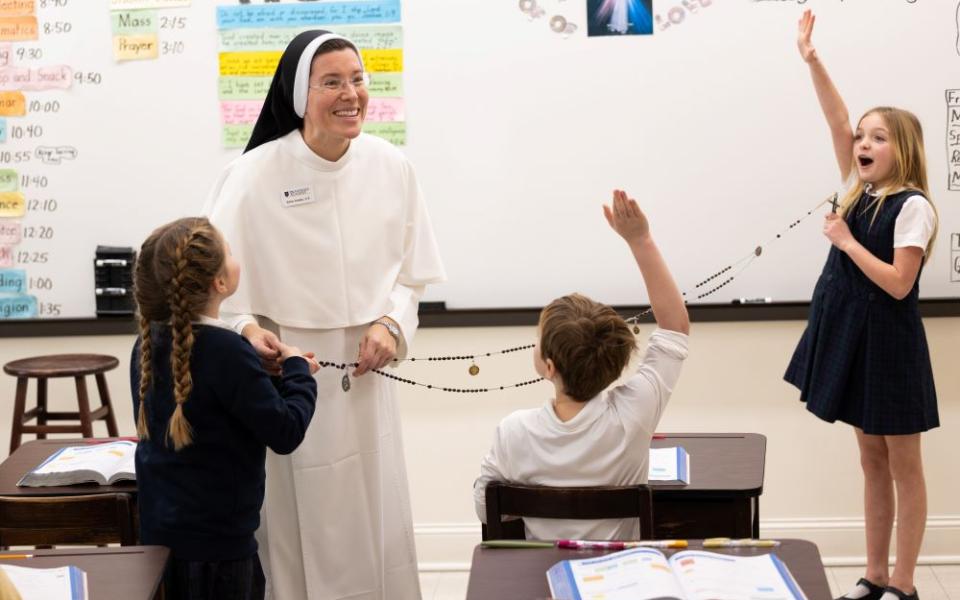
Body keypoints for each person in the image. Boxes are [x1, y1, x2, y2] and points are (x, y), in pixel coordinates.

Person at [203, 30, 445, 600]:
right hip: (286, 383)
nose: (351, 94)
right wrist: (248, 332)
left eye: (358, 79)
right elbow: (214, 295)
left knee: (373, 512)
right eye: (331, 82)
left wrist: (391, 326)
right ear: (297, 93)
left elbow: (413, 278)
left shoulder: (393, 167)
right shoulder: (252, 176)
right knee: (295, 525)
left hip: (368, 379)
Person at [784, 11, 939, 600]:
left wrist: (846, 242)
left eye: (879, 137)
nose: (864, 143)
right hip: (850, 336)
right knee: (870, 462)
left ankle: (903, 582)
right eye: (862, 136)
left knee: (904, 466)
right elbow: (835, 117)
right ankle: (874, 575)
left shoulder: (912, 205)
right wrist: (812, 59)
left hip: (890, 346)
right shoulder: (859, 188)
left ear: (904, 149)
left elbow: (900, 283)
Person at [473, 189, 690, 540]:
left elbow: (487, 508)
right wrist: (641, 240)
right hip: (621, 582)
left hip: (542, 580)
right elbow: (675, 327)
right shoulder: (635, 413)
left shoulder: (514, 432)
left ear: (549, 366)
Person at [131, 217, 319, 600]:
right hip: (221, 553)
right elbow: (284, 431)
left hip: (160, 541)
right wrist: (298, 369)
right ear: (219, 283)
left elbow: (214, 405)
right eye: (229, 252)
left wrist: (270, 375)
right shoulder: (228, 351)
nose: (235, 257)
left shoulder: (148, 344)